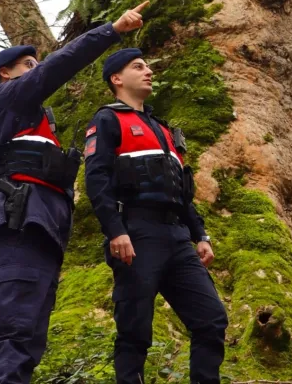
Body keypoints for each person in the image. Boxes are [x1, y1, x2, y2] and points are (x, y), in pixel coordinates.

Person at [0, 1, 150, 384]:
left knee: (31, 337)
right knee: (15, 331)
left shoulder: (33, 119)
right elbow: (61, 64)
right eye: (28, 67)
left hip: (41, 229)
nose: (36, 72)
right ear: (6, 73)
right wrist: (112, 30)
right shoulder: (6, 99)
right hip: (17, 226)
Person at [84, 48, 229, 384]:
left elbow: (181, 191)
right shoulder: (107, 120)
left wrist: (201, 235)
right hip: (136, 234)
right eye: (138, 67)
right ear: (116, 79)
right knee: (134, 329)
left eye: (148, 65)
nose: (148, 71)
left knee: (211, 319)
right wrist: (115, 231)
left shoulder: (163, 129)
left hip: (177, 237)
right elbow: (97, 179)